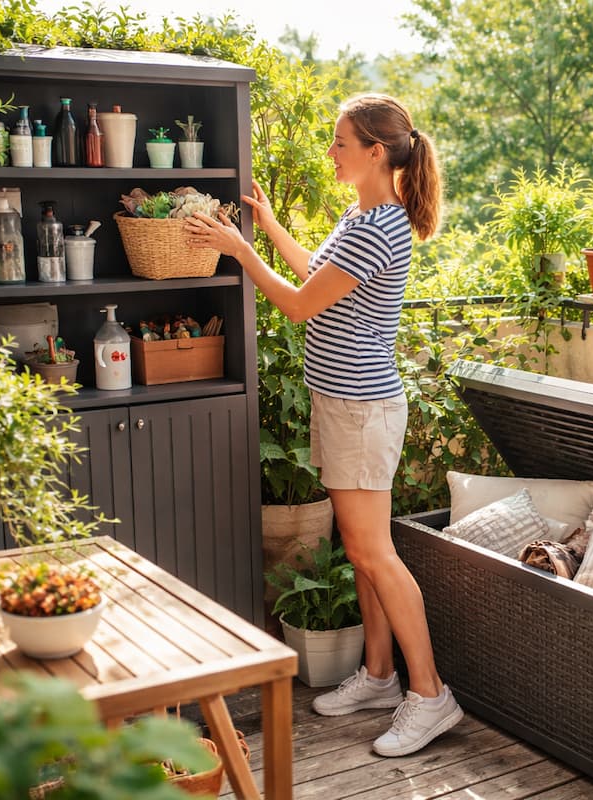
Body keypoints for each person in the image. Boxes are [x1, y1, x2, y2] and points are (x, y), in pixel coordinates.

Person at [185, 93, 463, 757]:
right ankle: (379, 676)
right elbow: (319, 275)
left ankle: (430, 695)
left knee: (374, 553)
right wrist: (271, 227)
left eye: (340, 142)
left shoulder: (377, 225)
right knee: (361, 548)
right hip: (345, 404)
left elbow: (300, 305)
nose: (331, 152)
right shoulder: (361, 214)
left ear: (375, 151)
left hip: (361, 410)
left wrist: (239, 251)